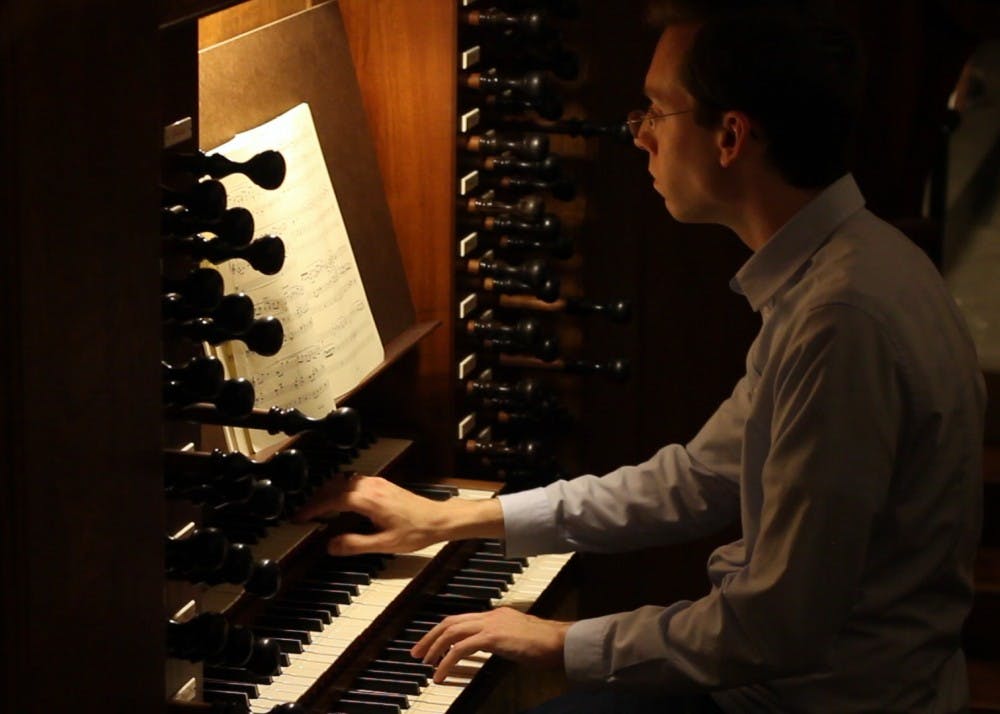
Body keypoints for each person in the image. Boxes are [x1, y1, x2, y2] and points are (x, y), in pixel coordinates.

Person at [296, 3, 987, 712]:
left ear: (729, 135)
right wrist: (457, 519)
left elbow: (776, 627)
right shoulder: (853, 265)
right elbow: (696, 479)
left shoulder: (840, 322)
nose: (639, 138)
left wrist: (558, 642)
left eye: (655, 111)